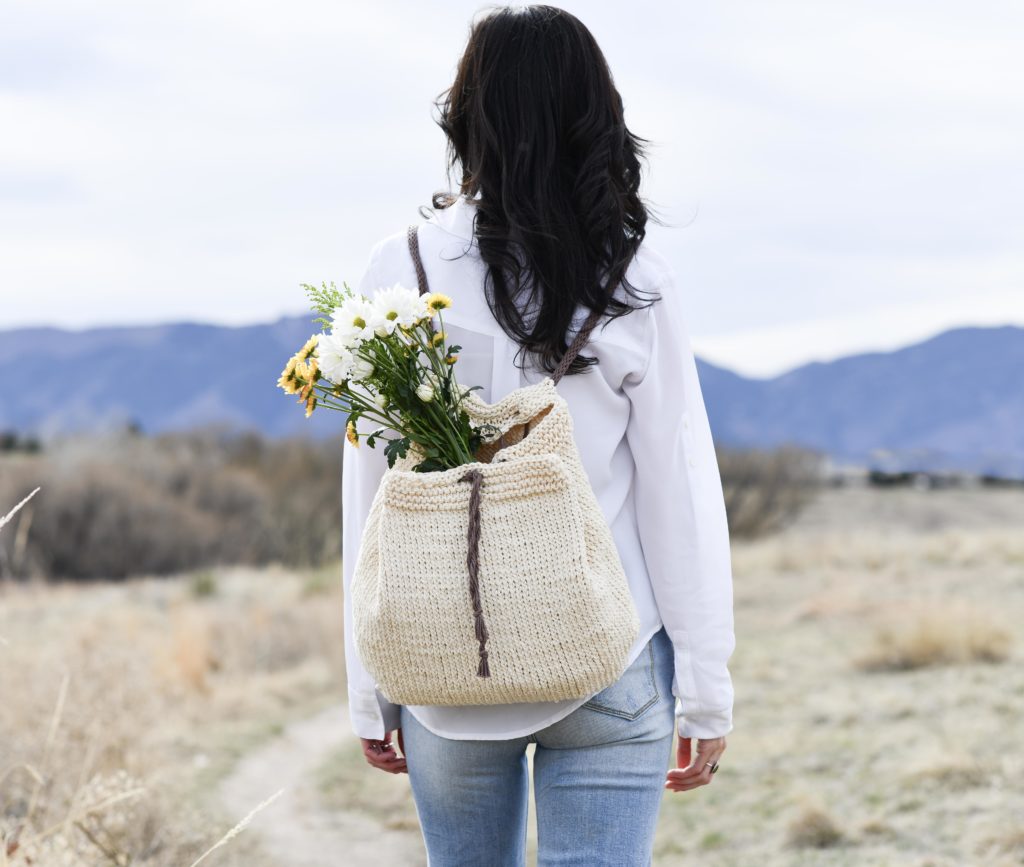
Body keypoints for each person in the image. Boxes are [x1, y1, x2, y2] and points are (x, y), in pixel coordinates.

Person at [341, 5, 736, 865]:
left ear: (469, 113)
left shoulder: (398, 268)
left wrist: (368, 681)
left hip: (449, 660)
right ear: (595, 113)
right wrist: (707, 687)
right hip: (608, 654)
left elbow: (372, 491)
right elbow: (679, 495)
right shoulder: (633, 279)